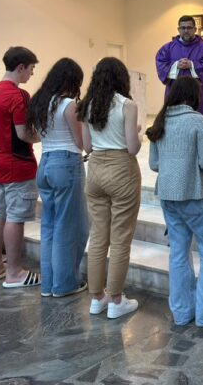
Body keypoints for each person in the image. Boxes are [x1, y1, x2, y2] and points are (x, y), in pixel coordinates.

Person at [146, 76, 203, 327]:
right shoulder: (198, 121)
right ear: (195, 97)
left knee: (179, 253)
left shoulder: (160, 121)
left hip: (168, 196)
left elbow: (154, 164)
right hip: (196, 195)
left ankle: (182, 312)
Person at [79, 57, 142, 319]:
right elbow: (132, 148)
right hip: (121, 170)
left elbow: (87, 146)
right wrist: (138, 132)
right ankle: (116, 300)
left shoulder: (87, 105)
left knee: (98, 237)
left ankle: (97, 298)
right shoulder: (127, 105)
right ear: (121, 77)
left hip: (95, 170)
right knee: (120, 238)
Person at [27, 58, 89, 298]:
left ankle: (49, 284)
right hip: (66, 164)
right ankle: (65, 284)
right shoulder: (69, 105)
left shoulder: (41, 102)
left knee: (50, 227)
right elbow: (80, 142)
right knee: (69, 227)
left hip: (45, 163)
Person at [0, 46, 41, 288]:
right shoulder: (18, 96)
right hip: (17, 165)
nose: (32, 74)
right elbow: (23, 133)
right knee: (15, 218)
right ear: (21, 67)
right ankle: (14, 272)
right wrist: (42, 136)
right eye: (31, 69)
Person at [155, 15, 203, 133]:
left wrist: (192, 65)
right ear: (178, 29)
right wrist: (175, 65)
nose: (186, 30)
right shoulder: (167, 48)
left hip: (198, 93)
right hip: (174, 91)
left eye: (189, 28)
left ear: (195, 29)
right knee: (174, 125)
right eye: (183, 28)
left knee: (198, 122)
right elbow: (161, 64)